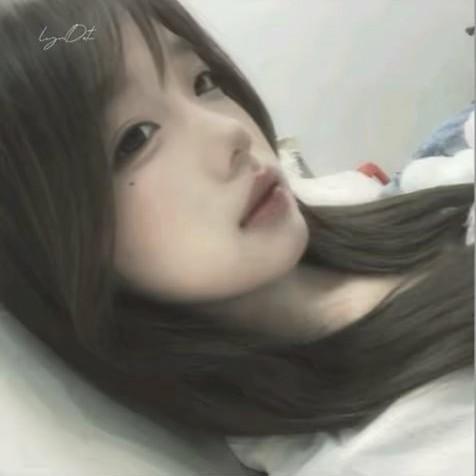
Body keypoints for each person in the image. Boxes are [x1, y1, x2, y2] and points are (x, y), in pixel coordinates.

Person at [0, 0, 473, 455]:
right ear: (56, 248)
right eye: (135, 139)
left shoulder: (376, 223)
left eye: (203, 81)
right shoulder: (399, 441)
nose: (231, 133)